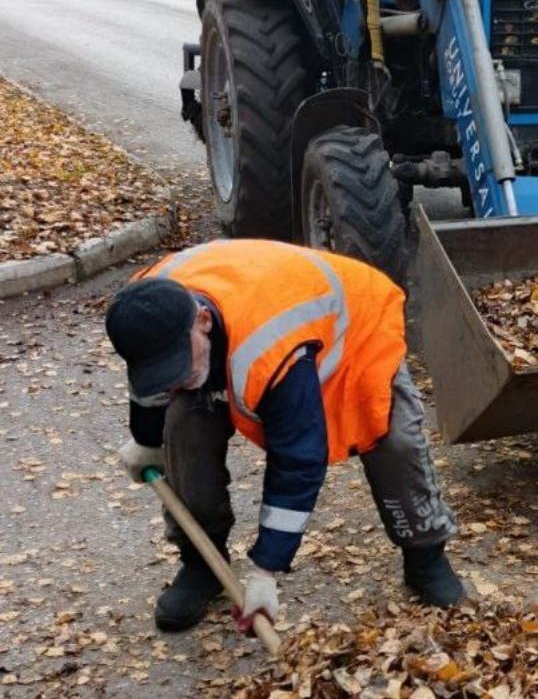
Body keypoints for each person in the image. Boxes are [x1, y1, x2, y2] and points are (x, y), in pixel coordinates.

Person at [106, 239, 464, 633]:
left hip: (354, 334)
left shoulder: (270, 342)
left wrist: (265, 569)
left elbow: (298, 459)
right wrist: (146, 440)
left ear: (203, 320)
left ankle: (425, 556)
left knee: (393, 441)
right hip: (245, 324)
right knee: (182, 431)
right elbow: (148, 383)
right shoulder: (147, 307)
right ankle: (202, 564)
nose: (174, 375)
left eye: (179, 361)